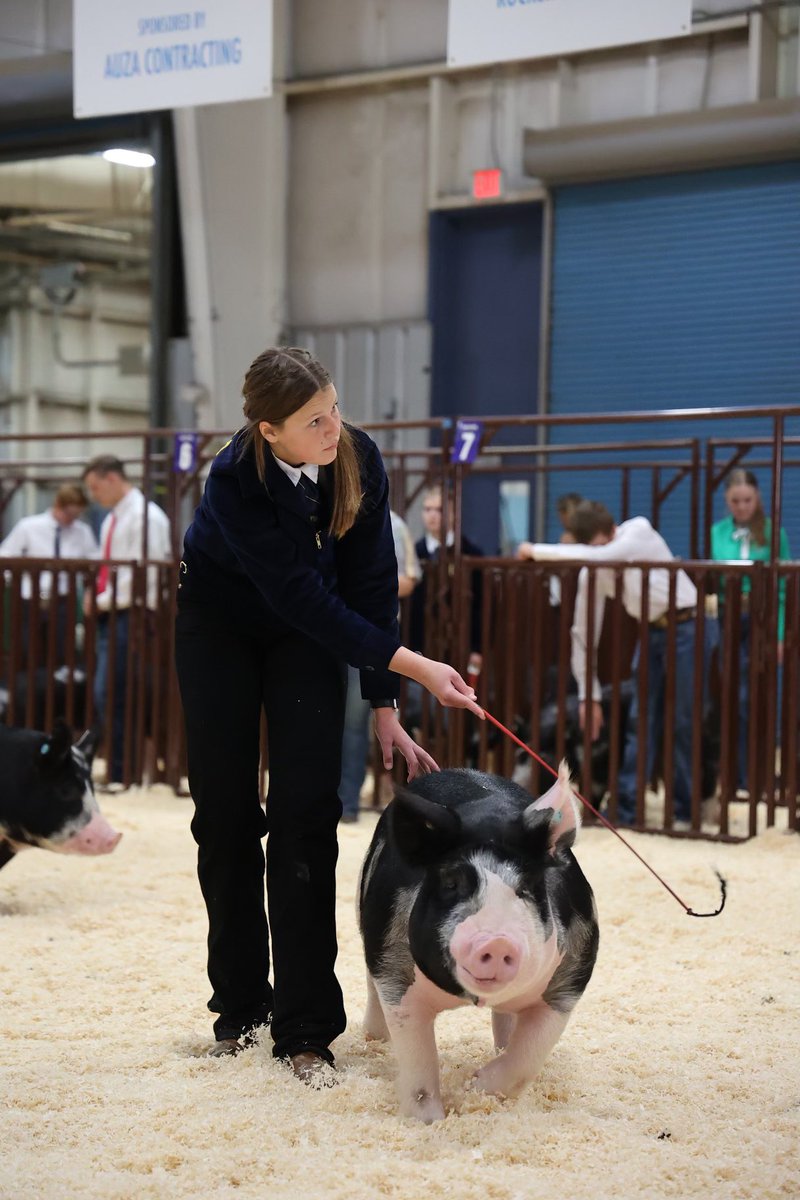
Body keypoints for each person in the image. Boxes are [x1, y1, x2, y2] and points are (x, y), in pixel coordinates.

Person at [173, 346, 483, 1081]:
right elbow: (302, 599)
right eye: (315, 420)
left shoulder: (357, 458)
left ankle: (307, 1028)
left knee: (307, 815)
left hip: (307, 635)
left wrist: (386, 704)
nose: (334, 427)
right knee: (224, 816)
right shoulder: (231, 479)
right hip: (220, 625)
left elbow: (370, 585)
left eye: (336, 408)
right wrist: (420, 667)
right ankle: (241, 1012)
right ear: (268, 430)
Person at [517, 500, 698, 827]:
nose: (605, 552)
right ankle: (628, 810)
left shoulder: (638, 530)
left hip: (688, 626)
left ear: (613, 530)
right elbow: (582, 633)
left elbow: (601, 556)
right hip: (653, 631)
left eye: (606, 544)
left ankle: (685, 812)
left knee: (683, 719)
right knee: (640, 718)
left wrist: (536, 550)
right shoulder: (593, 568)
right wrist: (589, 694)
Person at [81, 455, 172, 788]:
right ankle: (121, 770)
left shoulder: (145, 516)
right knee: (111, 692)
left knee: (117, 692)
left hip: (133, 615)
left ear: (112, 479)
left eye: (95, 487)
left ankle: (125, 771)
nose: (93, 495)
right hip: (113, 613)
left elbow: (143, 576)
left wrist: (101, 598)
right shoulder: (114, 518)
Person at [338, 509, 421, 823]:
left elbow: (409, 579)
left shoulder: (393, 523)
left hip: (367, 636)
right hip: (326, 628)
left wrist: (358, 588)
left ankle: (347, 802)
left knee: (355, 723)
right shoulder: (317, 499)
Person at [710, 468, 790, 790]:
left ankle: (755, 775)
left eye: (747, 500)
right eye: (735, 501)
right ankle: (728, 774)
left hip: (760, 619)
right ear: (727, 502)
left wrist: (780, 634)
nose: (742, 507)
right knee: (726, 697)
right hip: (727, 618)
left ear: (757, 499)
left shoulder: (773, 532)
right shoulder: (718, 531)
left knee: (755, 699)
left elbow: (782, 590)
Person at [0, 484, 98, 665]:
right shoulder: (28, 527)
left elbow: (94, 560)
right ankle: (27, 690)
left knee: (61, 649)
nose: (72, 520)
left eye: (77, 515)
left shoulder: (82, 531)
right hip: (30, 597)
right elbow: (5, 554)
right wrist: (16, 577)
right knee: (27, 648)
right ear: (58, 505)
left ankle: (56, 689)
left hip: (63, 598)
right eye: (69, 514)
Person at [409, 483, 484, 677]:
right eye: (427, 509)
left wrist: (478, 648)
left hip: (461, 641)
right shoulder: (414, 553)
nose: (432, 515)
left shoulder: (471, 554)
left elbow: (481, 606)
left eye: (440, 509)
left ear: (453, 513)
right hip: (421, 643)